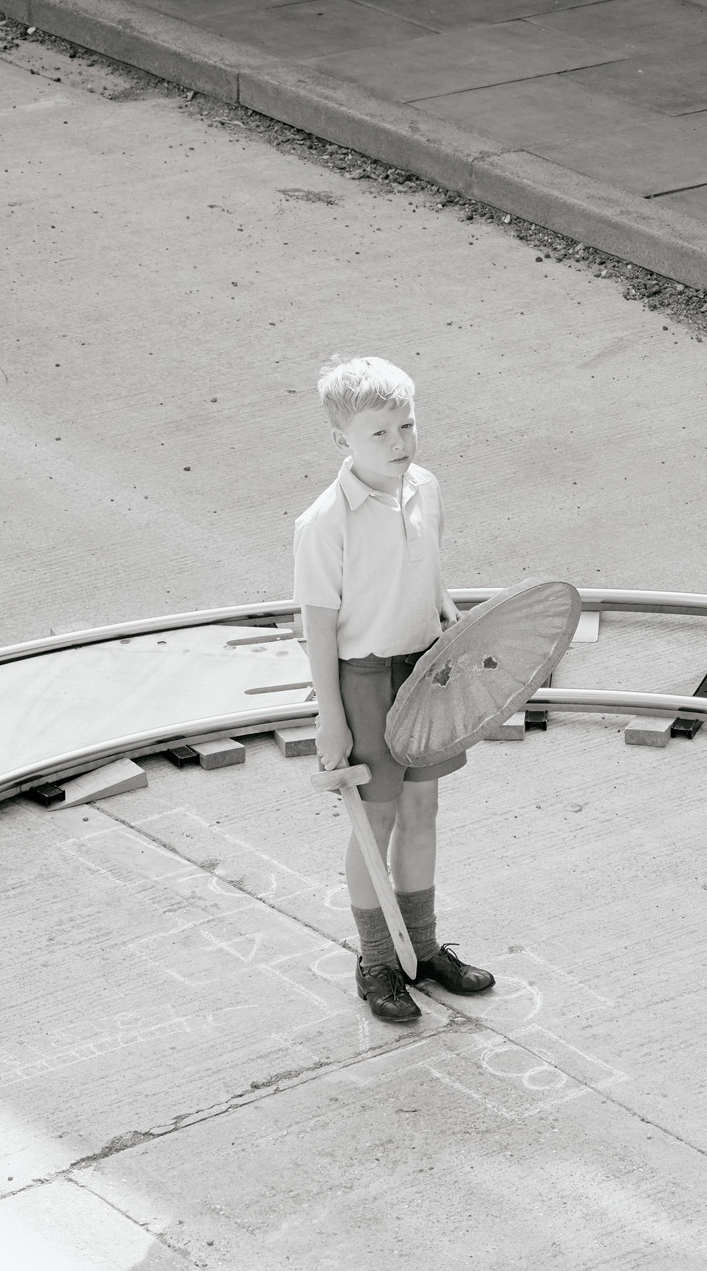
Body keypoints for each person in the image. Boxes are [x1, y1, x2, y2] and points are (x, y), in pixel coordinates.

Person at [295, 356, 496, 1023]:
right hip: (363, 679)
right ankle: (379, 960)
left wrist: (446, 610)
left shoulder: (425, 487)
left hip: (424, 668)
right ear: (341, 439)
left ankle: (425, 947)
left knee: (422, 809)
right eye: (378, 433)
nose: (398, 442)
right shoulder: (324, 522)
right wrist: (331, 719)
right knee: (374, 818)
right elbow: (319, 627)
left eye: (406, 425)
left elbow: (427, 566)